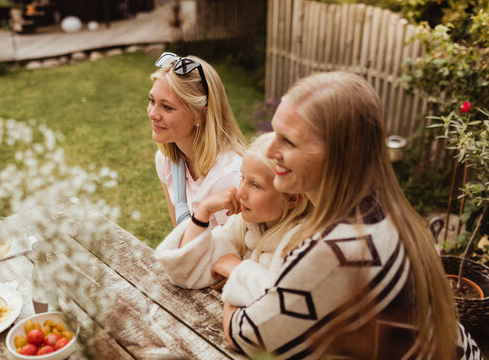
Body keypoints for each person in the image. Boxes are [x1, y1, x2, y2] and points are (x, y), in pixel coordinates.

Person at [223, 72, 482, 359]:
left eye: (289, 142)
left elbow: (245, 334)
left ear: (337, 154)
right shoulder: (382, 209)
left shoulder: (337, 252)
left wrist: (238, 279)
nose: (271, 150)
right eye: (275, 134)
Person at [154, 132, 311, 306]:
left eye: (256, 185)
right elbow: (186, 272)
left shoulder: (305, 244)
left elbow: (283, 307)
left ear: (292, 199)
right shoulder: (244, 224)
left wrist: (237, 270)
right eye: (242, 177)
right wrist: (203, 212)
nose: (240, 192)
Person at [148, 52, 246, 228]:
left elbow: (234, 250)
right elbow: (180, 235)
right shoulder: (166, 160)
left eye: (167, 107)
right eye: (152, 100)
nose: (152, 114)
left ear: (200, 115)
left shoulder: (227, 177)